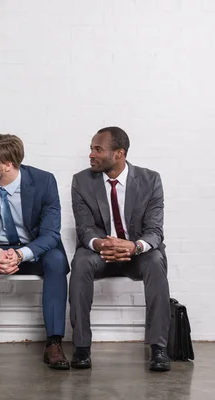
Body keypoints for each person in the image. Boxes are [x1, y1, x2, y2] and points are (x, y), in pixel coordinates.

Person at [0, 134, 70, 369]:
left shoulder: (44, 181)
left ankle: (54, 343)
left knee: (57, 260)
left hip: (33, 251)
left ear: (7, 165)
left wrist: (21, 254)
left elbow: (51, 234)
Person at [69, 126, 171, 372]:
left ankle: (159, 348)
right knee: (80, 261)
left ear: (119, 154)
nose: (91, 154)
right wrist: (103, 244)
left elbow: (155, 230)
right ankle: (82, 347)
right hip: (100, 253)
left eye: (98, 149)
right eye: (91, 149)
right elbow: (85, 229)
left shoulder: (150, 180)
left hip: (137, 254)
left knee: (156, 260)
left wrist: (133, 247)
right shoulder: (81, 181)